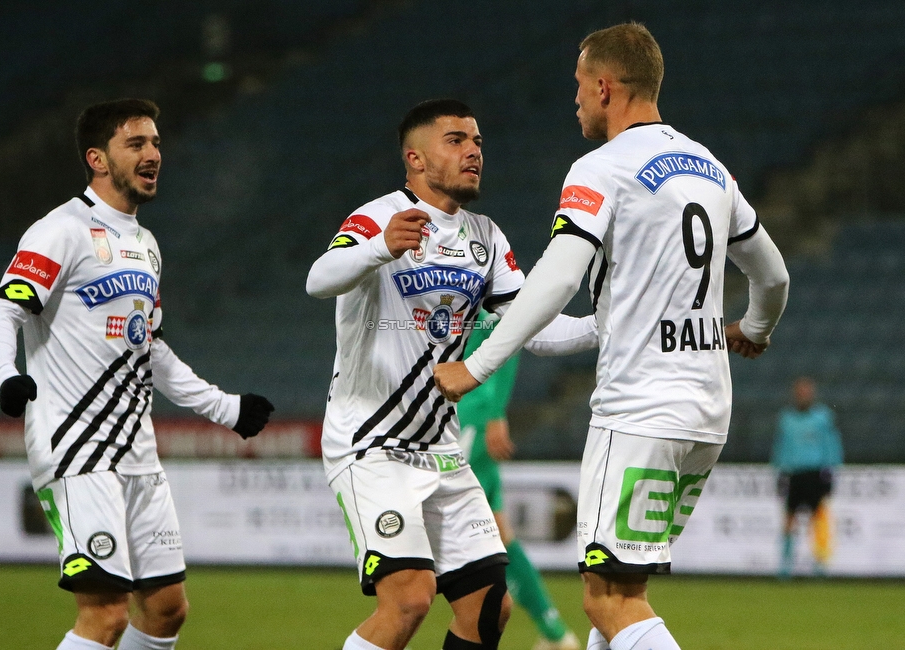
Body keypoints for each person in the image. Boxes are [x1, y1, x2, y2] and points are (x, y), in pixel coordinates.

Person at [434, 23, 790, 650]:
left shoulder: (602, 168)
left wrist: (476, 367)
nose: (573, 99)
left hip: (640, 408)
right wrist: (755, 329)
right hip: (706, 410)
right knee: (624, 596)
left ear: (604, 87)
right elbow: (774, 274)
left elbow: (558, 277)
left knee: (604, 601)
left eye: (578, 86)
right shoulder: (711, 168)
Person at [0, 99, 274, 650]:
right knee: (106, 614)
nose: (153, 154)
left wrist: (224, 407)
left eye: (156, 144)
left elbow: (149, 347)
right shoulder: (60, 230)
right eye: (136, 144)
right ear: (97, 158)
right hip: (76, 448)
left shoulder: (145, 245)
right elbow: (4, 310)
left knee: (166, 610)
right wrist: (6, 376)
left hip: (137, 453)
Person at [306, 99, 597, 650]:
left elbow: (531, 328)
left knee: (490, 606)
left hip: (440, 449)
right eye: (457, 140)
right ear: (415, 158)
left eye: (478, 142)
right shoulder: (379, 217)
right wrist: (376, 248)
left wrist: (605, 328)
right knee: (410, 597)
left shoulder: (485, 238)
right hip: (372, 444)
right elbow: (319, 280)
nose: (473, 152)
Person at [457, 312, 580, 650]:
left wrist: (496, 413)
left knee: (428, 521)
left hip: (467, 418)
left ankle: (395, 624)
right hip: (464, 414)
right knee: (498, 532)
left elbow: (508, 338)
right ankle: (553, 631)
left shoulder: (475, 291)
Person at [772, 376, 843, 577]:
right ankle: (785, 564)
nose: (803, 395)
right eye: (800, 392)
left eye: (806, 392)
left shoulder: (823, 417)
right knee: (789, 520)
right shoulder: (786, 418)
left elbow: (832, 445)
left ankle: (820, 563)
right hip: (794, 473)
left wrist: (830, 471)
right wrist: (779, 471)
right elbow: (781, 447)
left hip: (815, 473)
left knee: (818, 519)